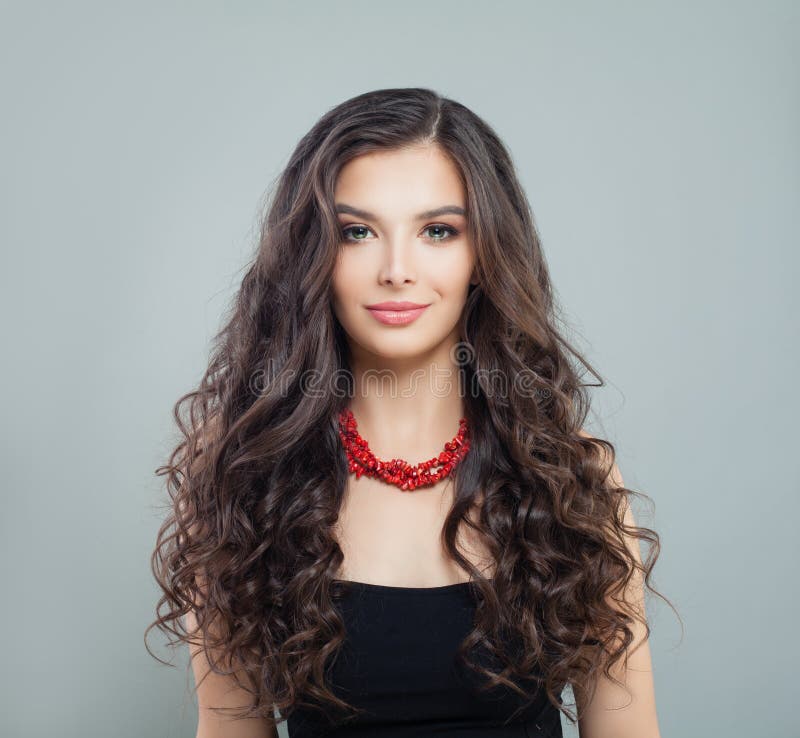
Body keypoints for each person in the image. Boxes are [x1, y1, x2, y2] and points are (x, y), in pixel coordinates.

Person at [146, 87, 670, 738]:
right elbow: (228, 729)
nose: (397, 269)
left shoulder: (574, 475)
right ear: (315, 254)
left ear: (484, 255)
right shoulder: (244, 470)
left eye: (438, 231)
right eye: (357, 232)